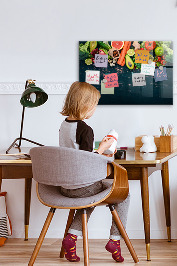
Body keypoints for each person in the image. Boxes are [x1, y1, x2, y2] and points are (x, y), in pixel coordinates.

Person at [59, 81, 129, 263]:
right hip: (82, 186)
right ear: (85, 105)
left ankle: (71, 238)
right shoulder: (85, 129)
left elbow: (76, 154)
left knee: (90, 198)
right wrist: (103, 149)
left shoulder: (64, 125)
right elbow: (86, 161)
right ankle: (115, 240)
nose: (94, 109)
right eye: (94, 105)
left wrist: (98, 149)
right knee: (124, 194)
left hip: (65, 186)